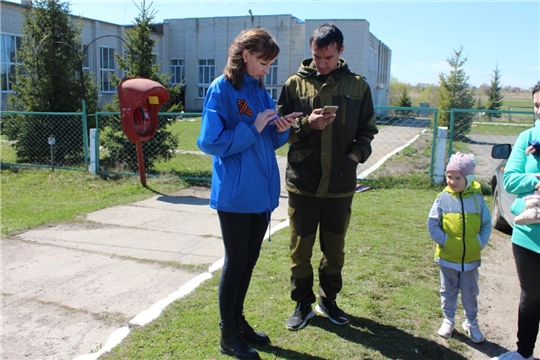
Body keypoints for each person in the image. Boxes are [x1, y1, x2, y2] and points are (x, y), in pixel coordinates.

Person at [197, 28, 301, 360]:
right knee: (236, 261)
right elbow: (210, 142)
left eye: (270, 64)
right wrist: (253, 126)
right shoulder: (221, 89)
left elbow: (267, 141)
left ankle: (238, 323)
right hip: (235, 194)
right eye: (263, 62)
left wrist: (279, 130)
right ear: (246, 56)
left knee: (249, 261)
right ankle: (227, 336)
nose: (266, 70)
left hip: (261, 192)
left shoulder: (261, 91)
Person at [276, 23, 378, 331]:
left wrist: (354, 157)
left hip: (339, 185)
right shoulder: (294, 85)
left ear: (341, 52)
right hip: (303, 184)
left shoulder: (358, 86)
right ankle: (302, 304)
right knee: (300, 250)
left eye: (329, 57)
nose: (322, 63)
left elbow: (367, 130)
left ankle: (328, 300)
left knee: (334, 251)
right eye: (317, 56)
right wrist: (308, 124)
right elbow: (280, 130)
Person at [491, 81, 540, 360]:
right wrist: (536, 180)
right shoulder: (527, 137)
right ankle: (523, 354)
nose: (539, 111)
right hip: (528, 235)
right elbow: (509, 179)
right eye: (535, 105)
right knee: (531, 296)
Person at [427, 152, 492, 343]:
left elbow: (486, 224)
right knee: (448, 291)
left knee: (470, 292)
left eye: (457, 178)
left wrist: (478, 243)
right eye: (449, 177)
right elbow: (432, 224)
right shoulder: (442, 199)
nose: (452, 181)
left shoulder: (478, 200)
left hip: (471, 260)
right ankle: (448, 320)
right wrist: (445, 241)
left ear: (468, 179)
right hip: (448, 258)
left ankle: (471, 322)